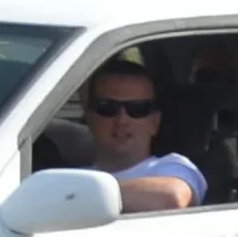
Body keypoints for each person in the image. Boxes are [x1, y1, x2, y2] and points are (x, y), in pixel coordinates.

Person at [84, 59, 207, 212]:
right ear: (89, 117)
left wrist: (72, 197)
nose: (122, 120)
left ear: (155, 122)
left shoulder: (173, 167)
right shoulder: (72, 178)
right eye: (108, 108)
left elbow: (170, 197)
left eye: (138, 109)